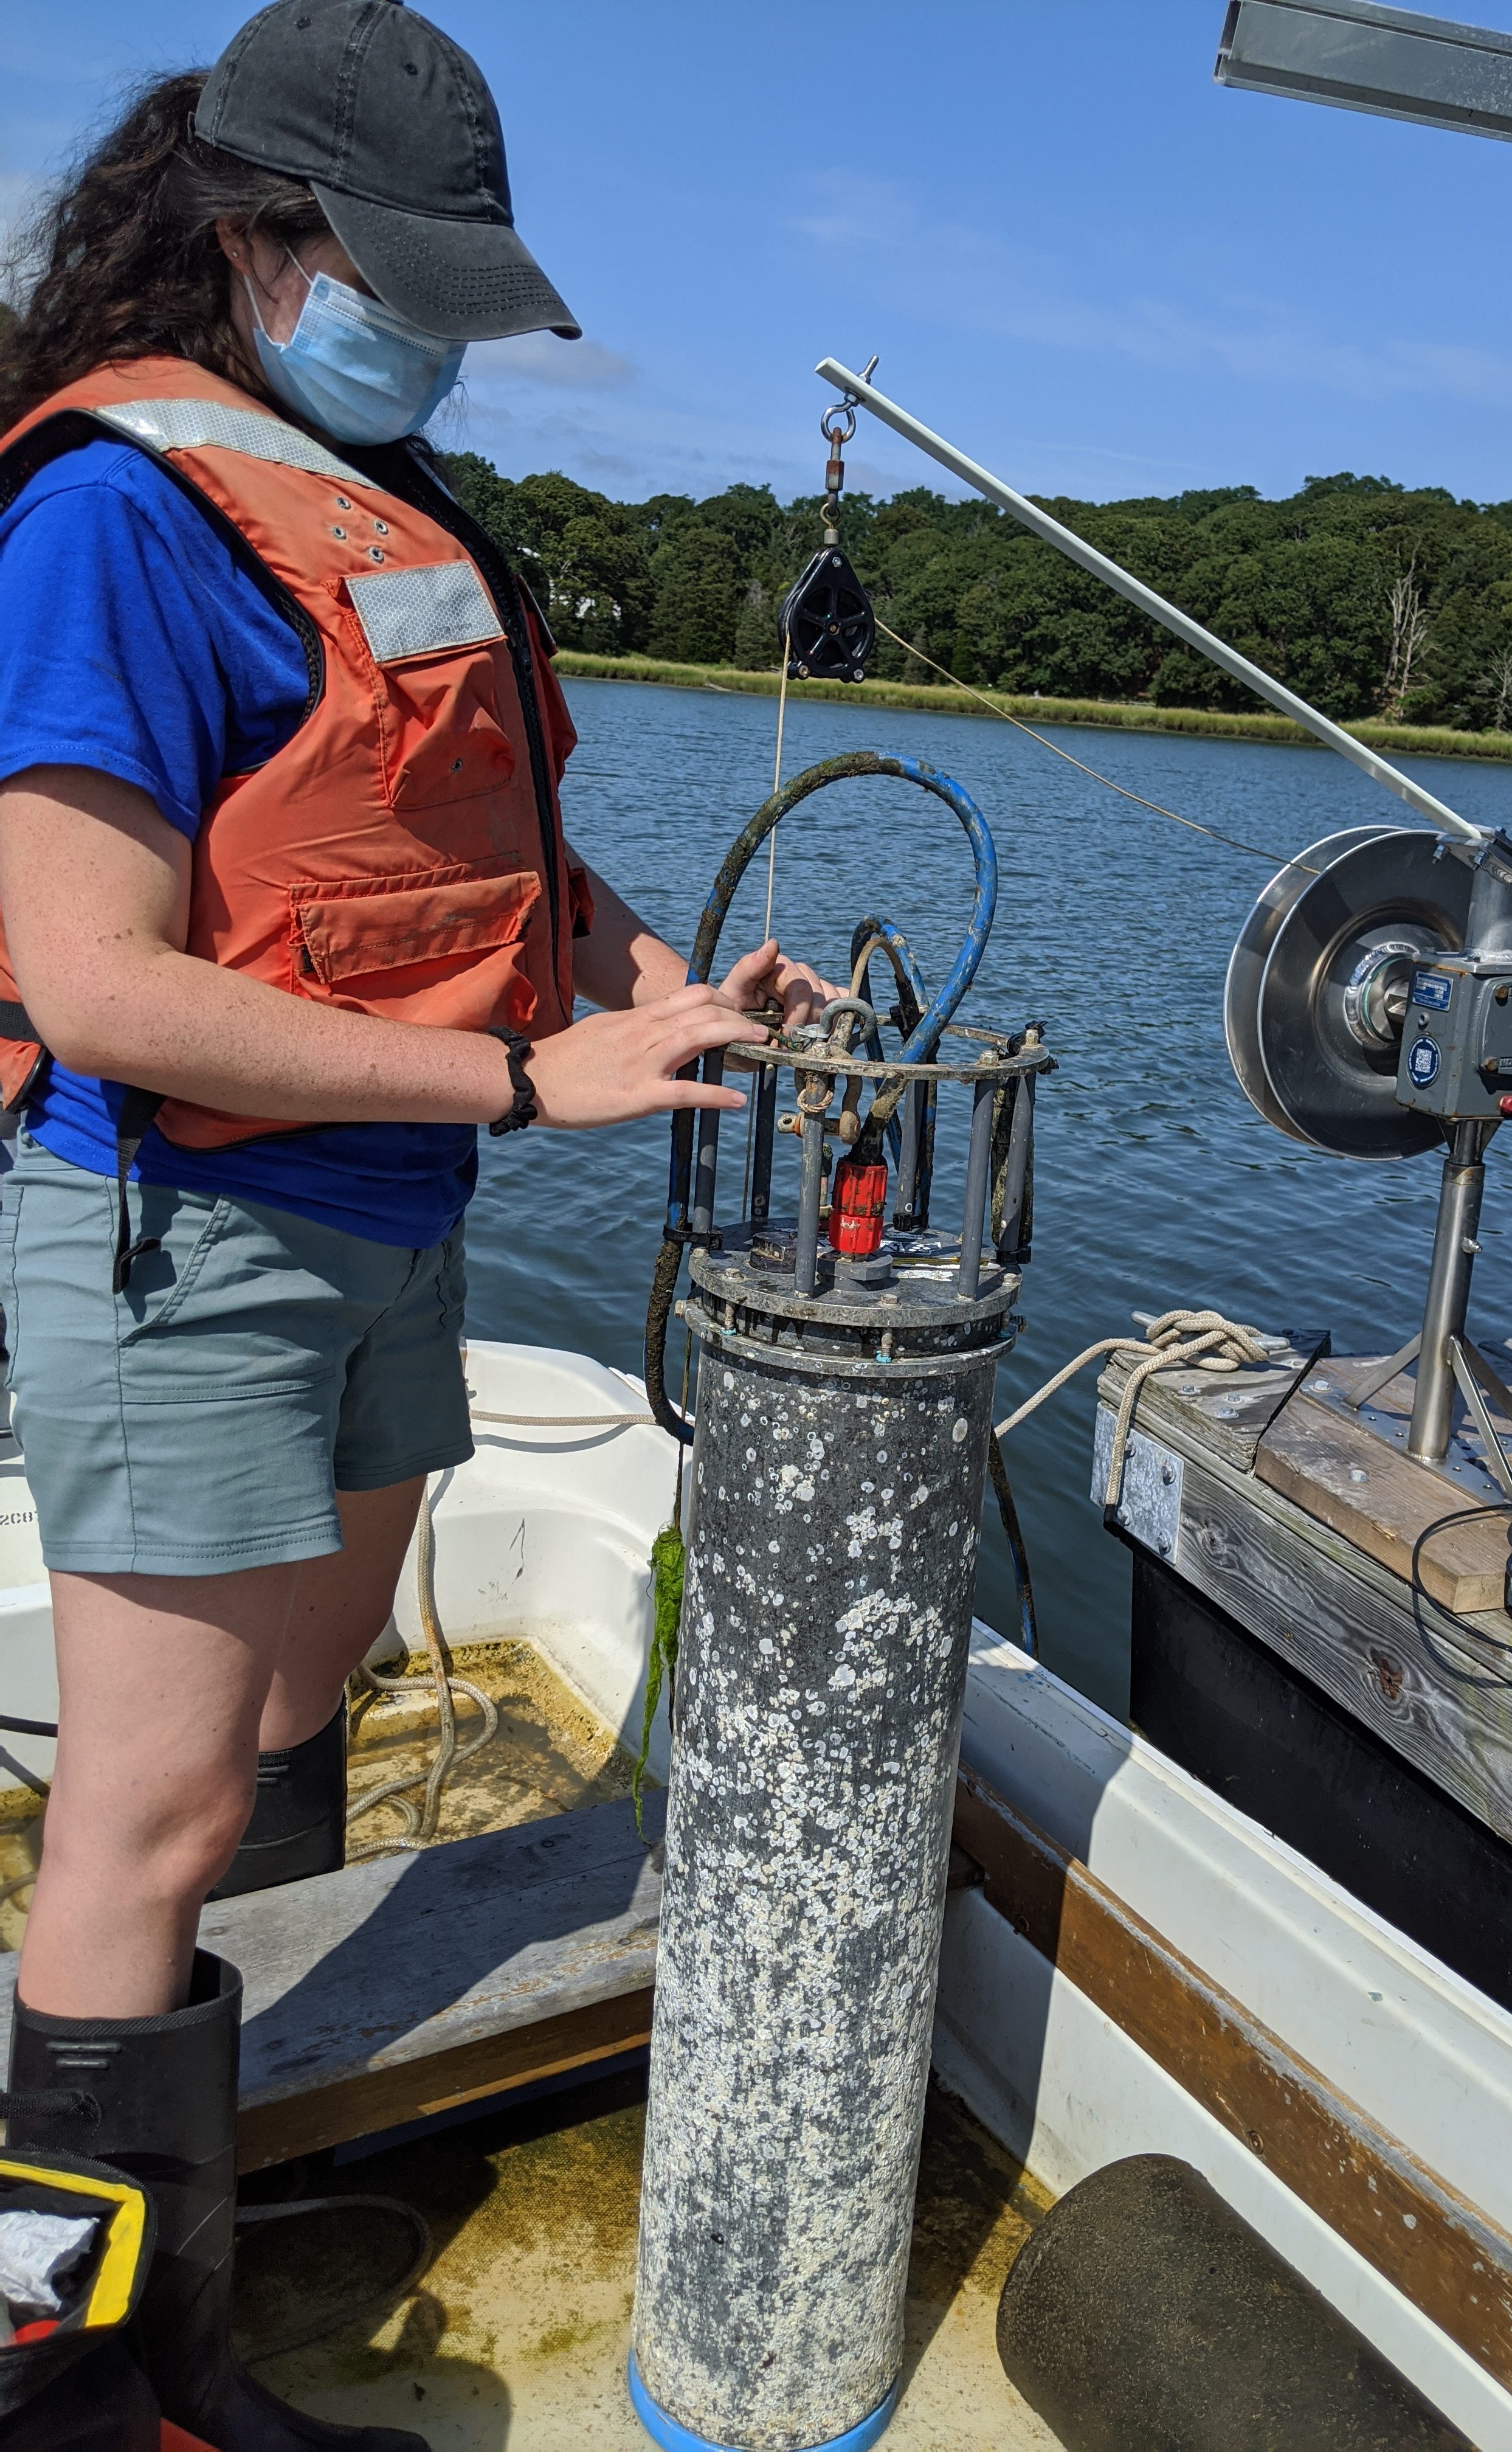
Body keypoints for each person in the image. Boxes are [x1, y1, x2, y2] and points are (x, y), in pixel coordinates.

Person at [0, 9, 829, 2447]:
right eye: (398, 281)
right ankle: (76, 2383)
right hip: (188, 1232)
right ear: (254, 237)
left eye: (463, 295)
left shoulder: (400, 512)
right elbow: (94, 976)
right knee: (144, 1808)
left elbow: (464, 862)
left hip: (395, 1222)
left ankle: (223, 2194)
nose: (434, 337)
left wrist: (658, 987)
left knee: (302, 1692)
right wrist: (523, 1076)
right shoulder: (117, 519)